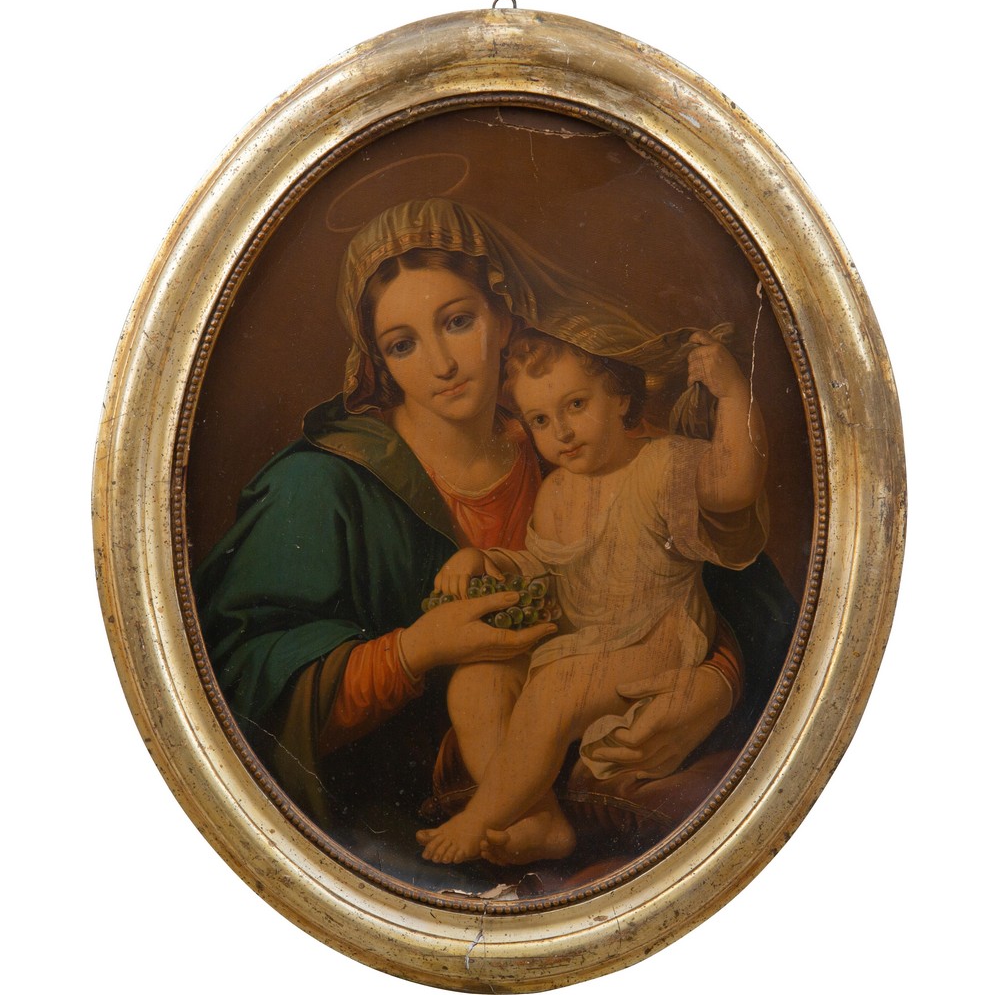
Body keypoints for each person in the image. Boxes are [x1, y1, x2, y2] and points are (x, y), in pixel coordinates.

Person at [193, 198, 773, 876]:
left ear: (503, 317)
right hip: (386, 845)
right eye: (403, 344)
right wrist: (414, 651)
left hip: (602, 790)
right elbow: (235, 689)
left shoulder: (572, 443)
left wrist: (714, 687)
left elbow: (709, 588)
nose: (441, 364)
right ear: (379, 362)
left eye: (458, 321)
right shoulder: (320, 486)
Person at [417, 328, 767, 864]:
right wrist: (488, 562)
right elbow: (545, 571)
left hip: (654, 642)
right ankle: (539, 821)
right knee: (474, 682)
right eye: (539, 420)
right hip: (579, 641)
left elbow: (736, 485)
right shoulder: (557, 490)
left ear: (621, 397)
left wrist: (734, 393)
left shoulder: (660, 465)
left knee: (555, 692)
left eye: (576, 405)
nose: (560, 431)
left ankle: (480, 818)